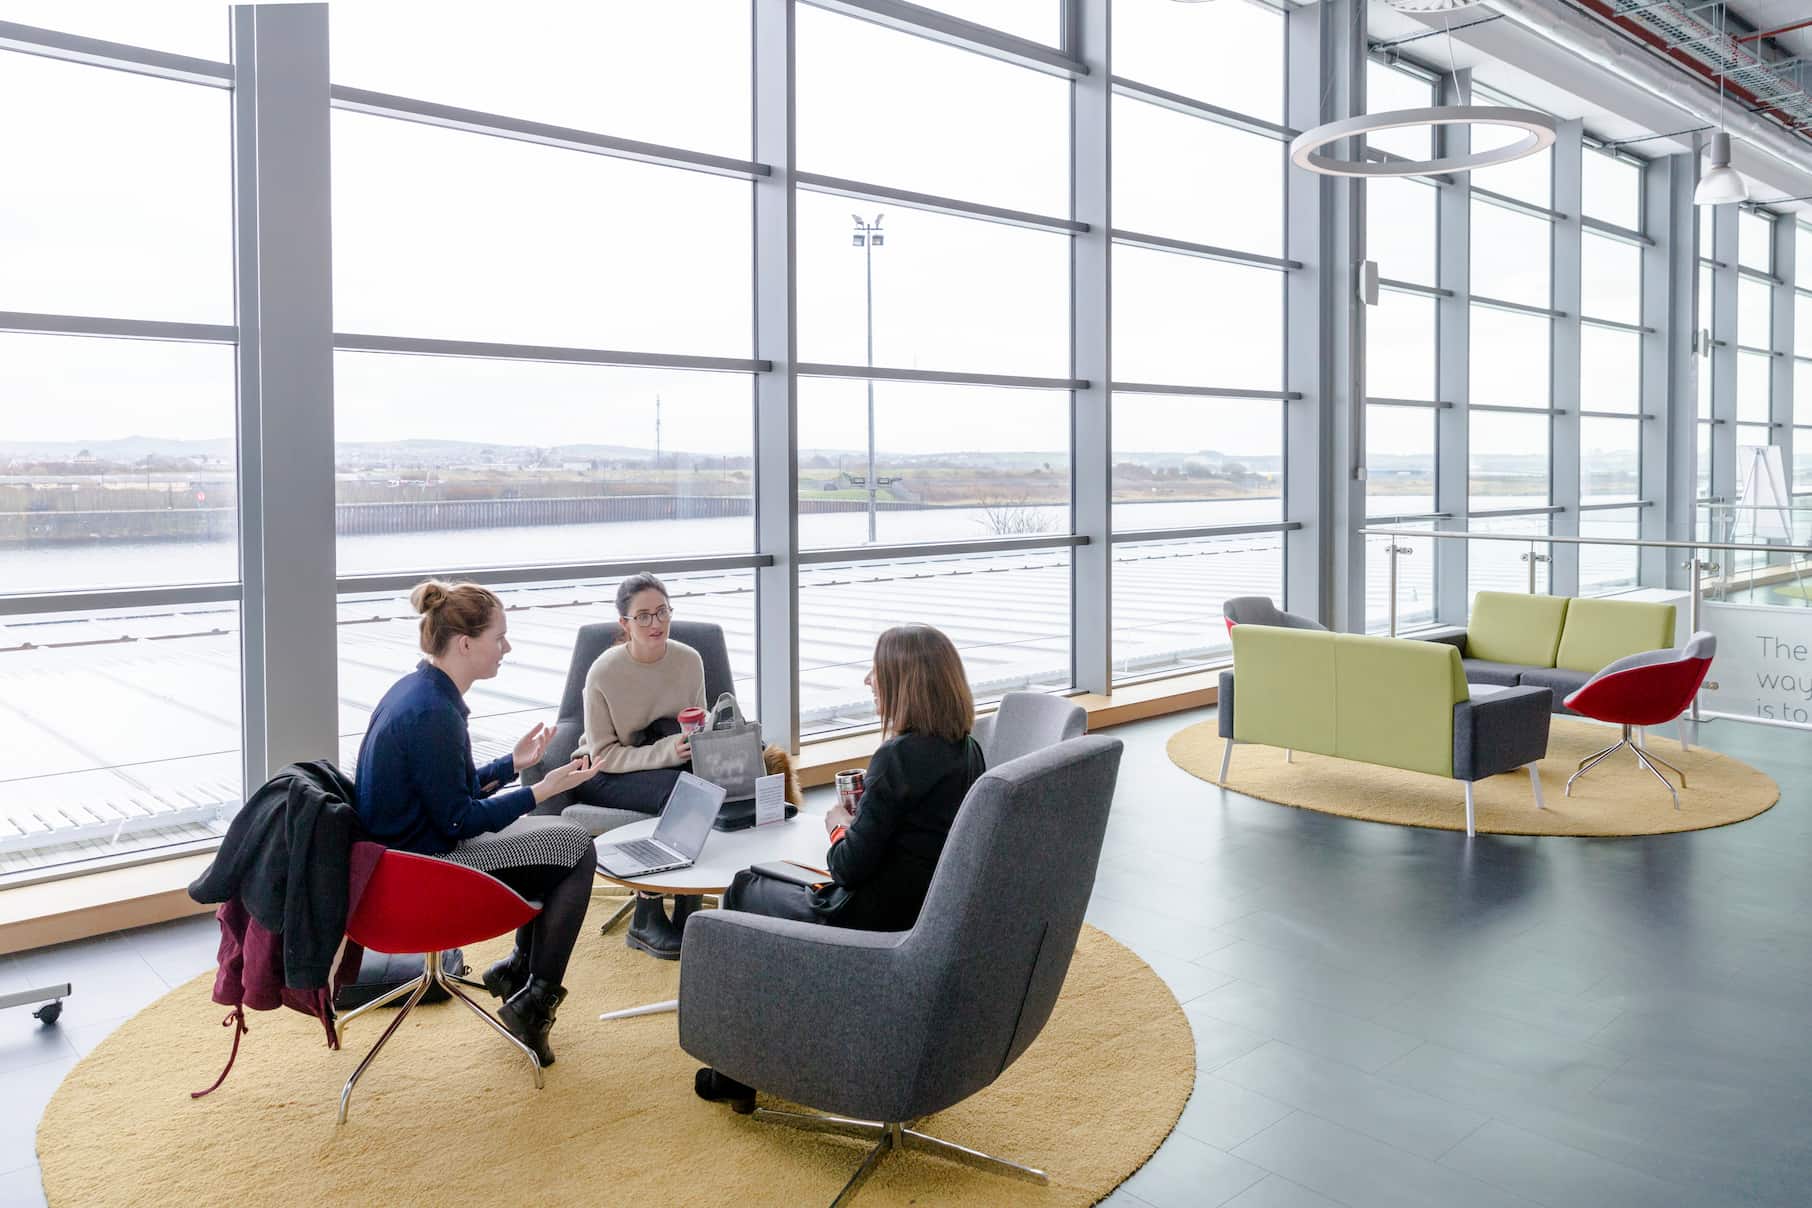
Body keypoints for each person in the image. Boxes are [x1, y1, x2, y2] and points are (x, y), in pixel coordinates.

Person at [695, 623, 985, 1112]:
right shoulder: (968, 751)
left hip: (864, 915)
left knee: (744, 889)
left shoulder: (895, 758)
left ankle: (738, 1072)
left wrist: (838, 824)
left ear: (904, 682)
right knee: (773, 885)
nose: (868, 682)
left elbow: (846, 867)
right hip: (924, 909)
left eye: (876, 672)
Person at [355, 580, 602, 1067]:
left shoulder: (421, 691)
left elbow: (448, 789)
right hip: (425, 867)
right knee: (576, 849)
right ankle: (535, 1001)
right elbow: (459, 820)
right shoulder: (433, 712)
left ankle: (519, 975)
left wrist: (511, 765)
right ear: (466, 644)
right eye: (499, 637)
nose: (506, 647)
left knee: (558, 845)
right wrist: (540, 789)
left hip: (403, 857)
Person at [574, 572, 800, 959]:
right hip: (606, 770)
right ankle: (646, 915)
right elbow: (603, 754)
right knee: (681, 796)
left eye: (662, 612)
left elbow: (698, 724)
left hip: (670, 758)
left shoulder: (688, 660)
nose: (655, 623)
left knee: (711, 789)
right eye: (643, 616)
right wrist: (667, 752)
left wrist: (695, 745)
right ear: (624, 624)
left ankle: (690, 906)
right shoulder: (604, 672)